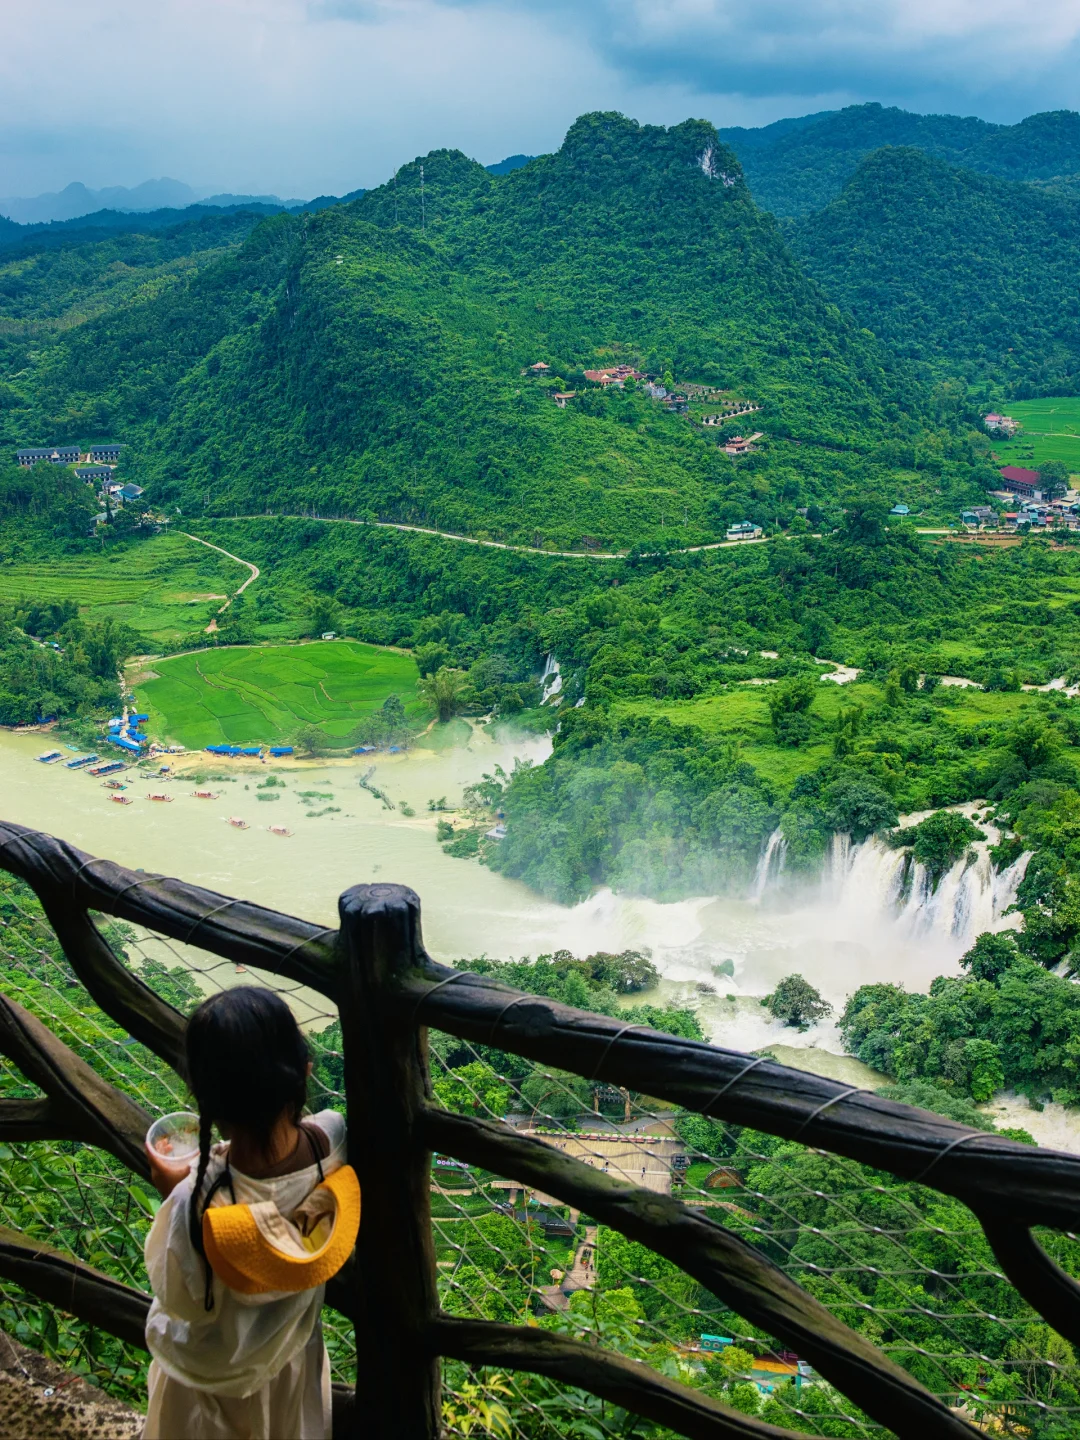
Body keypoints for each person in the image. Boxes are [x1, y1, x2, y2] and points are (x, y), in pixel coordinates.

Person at [142, 987, 352, 1440]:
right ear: (305, 1074)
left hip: (206, 1381)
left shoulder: (197, 1196)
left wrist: (173, 1188)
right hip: (289, 1363)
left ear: (206, 1101)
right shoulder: (330, 1143)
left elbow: (177, 1294)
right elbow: (320, 1129)